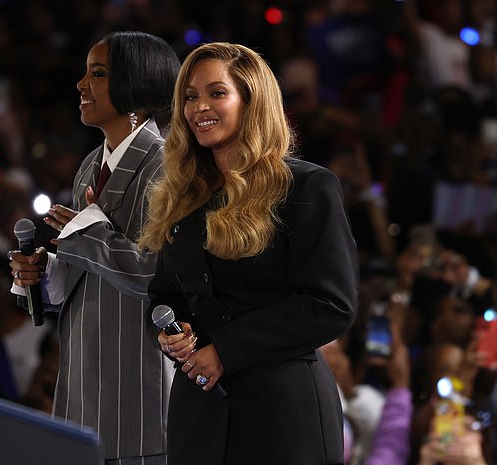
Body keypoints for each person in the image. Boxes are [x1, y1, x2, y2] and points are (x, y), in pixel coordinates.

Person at [138, 42, 359, 465]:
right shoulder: (181, 198)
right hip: (199, 413)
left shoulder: (307, 188)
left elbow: (332, 304)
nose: (199, 106)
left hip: (283, 413)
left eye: (216, 93)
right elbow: (164, 294)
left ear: (252, 100)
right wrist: (171, 331)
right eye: (190, 96)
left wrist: (225, 350)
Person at [8, 31, 180, 465]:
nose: (81, 85)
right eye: (86, 73)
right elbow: (85, 265)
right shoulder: (89, 165)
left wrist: (86, 235)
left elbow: (157, 273)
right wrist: (45, 271)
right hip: (83, 382)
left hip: (136, 392)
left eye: (98, 74)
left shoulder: (165, 165)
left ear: (137, 86)